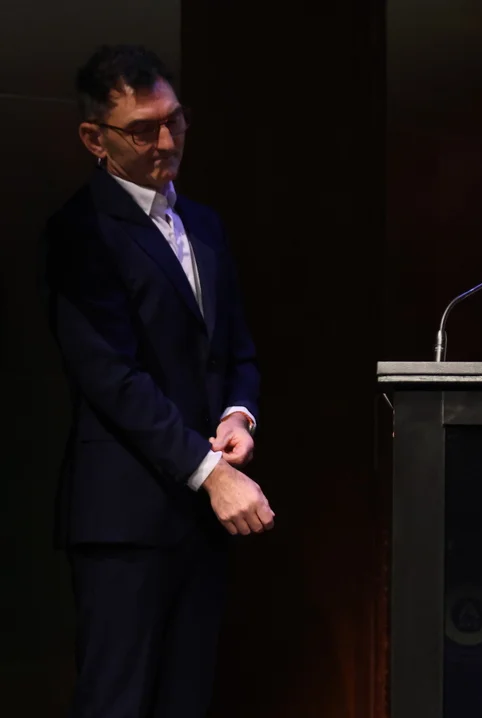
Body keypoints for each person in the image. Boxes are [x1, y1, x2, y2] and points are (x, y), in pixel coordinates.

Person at [42, 44, 274, 717]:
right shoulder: (80, 231)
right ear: (95, 138)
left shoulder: (203, 223)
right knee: (116, 701)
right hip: (126, 518)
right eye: (143, 130)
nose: (167, 142)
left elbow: (235, 348)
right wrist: (212, 473)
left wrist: (238, 414)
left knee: (186, 699)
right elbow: (111, 377)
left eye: (174, 121)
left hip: (200, 517)